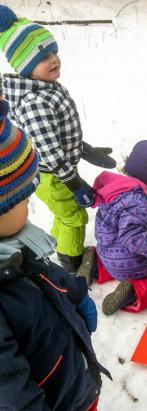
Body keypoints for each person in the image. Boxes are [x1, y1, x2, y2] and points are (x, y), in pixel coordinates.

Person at [0, 98, 123, 411]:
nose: (29, 204)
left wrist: (75, 293)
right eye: (20, 199)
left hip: (75, 379)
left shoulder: (13, 245)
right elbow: (11, 402)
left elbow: (44, 272)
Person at [0, 5, 116, 273]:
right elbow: (50, 152)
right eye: (43, 57)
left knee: (65, 215)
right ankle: (70, 261)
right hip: (52, 175)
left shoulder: (45, 87)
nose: (53, 59)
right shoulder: (34, 101)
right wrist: (74, 183)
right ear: (24, 66)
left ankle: (57, 245)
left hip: (58, 171)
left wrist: (84, 149)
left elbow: (56, 132)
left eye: (53, 52)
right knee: (74, 216)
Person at [77, 140, 147, 316]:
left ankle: (96, 266)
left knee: (116, 257)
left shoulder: (115, 187)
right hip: (129, 264)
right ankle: (133, 291)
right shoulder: (141, 202)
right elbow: (133, 239)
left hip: (105, 251)